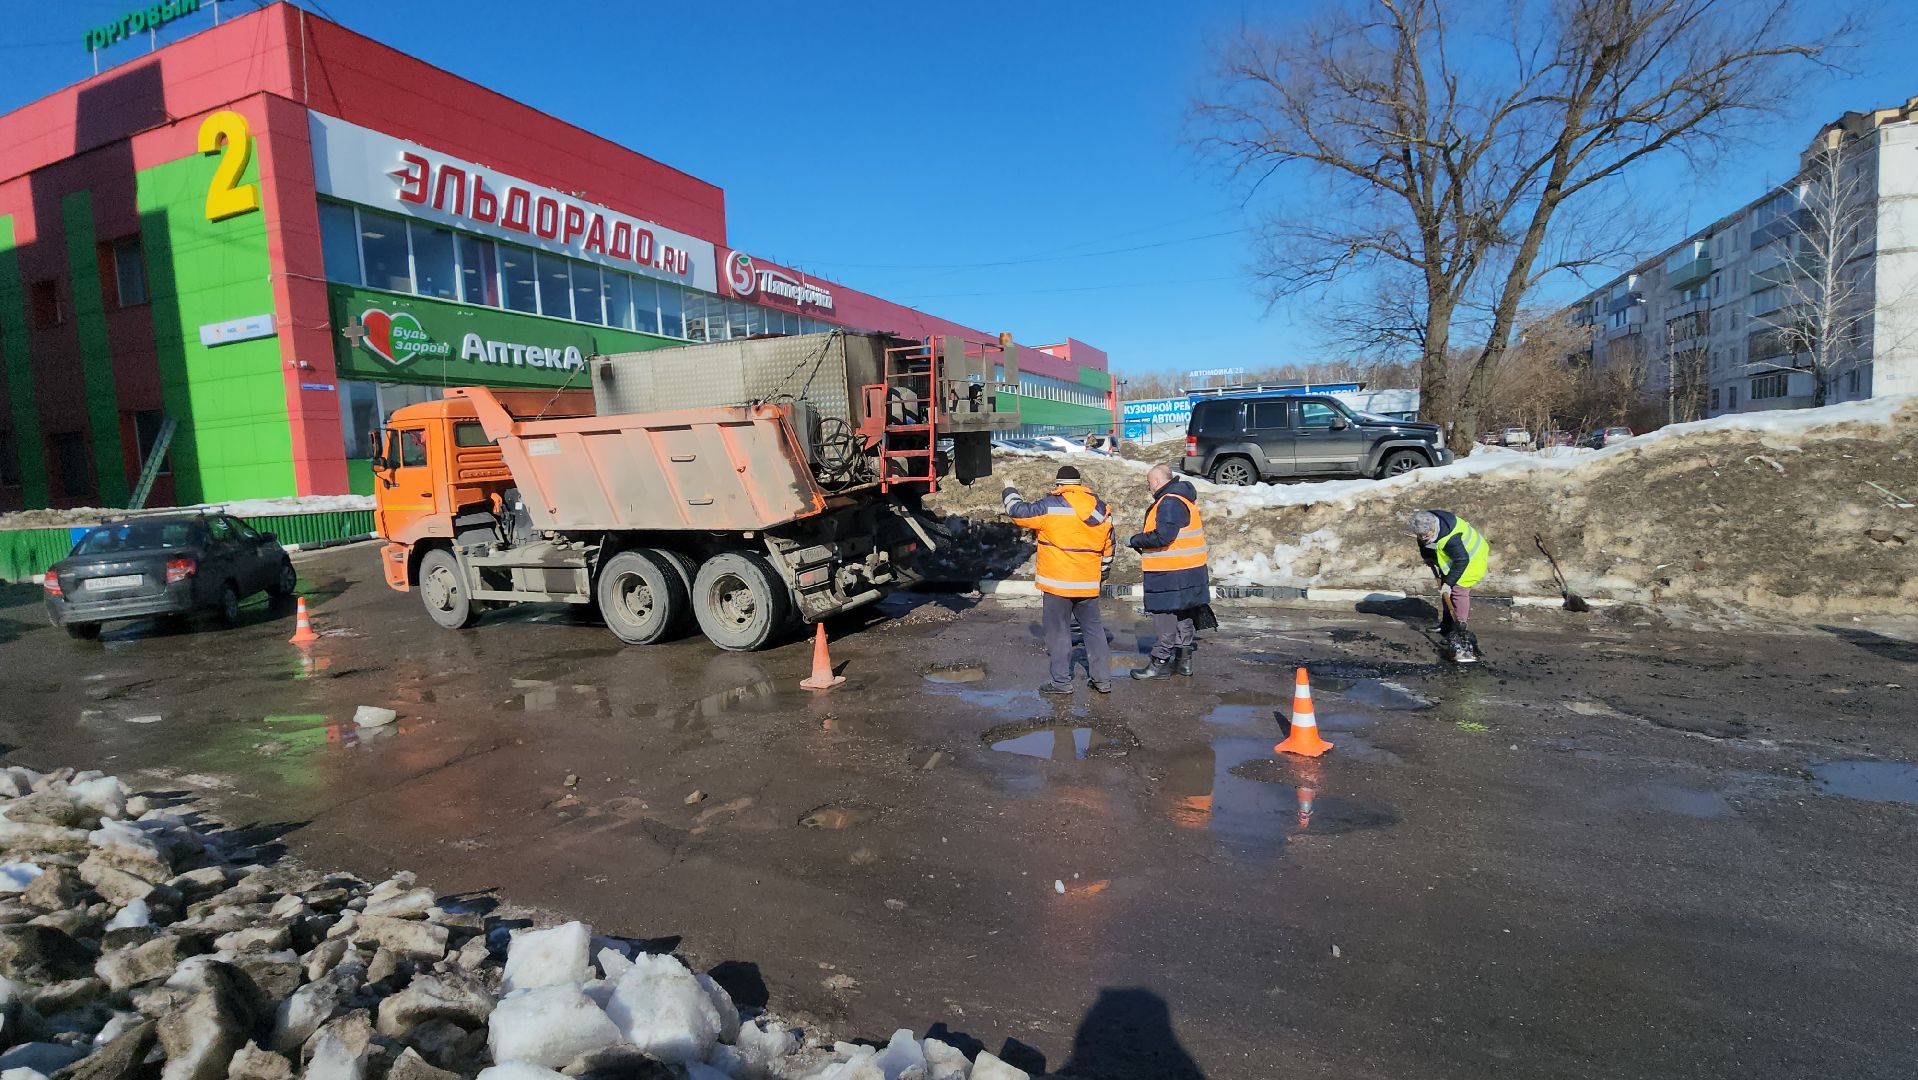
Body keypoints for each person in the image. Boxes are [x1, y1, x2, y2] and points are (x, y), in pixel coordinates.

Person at [1004, 465, 1115, 694]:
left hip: (1057, 583)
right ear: (1079, 485)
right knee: (1094, 632)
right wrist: (1101, 575)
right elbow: (1109, 547)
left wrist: (1009, 489)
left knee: (1058, 632)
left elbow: (1017, 512)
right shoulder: (1101, 509)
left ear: (1059, 485)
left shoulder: (1050, 506)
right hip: (1087, 583)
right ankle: (1102, 680)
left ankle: (1062, 682)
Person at [1127, 463, 1213, 680]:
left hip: (1170, 572)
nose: (1149, 488)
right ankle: (1184, 662)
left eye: (1149, 483)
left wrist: (1135, 540)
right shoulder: (1182, 498)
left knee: (1164, 617)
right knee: (1183, 613)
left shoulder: (1169, 501)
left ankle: (1160, 662)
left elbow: (1163, 536)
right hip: (1188, 570)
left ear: (1156, 481)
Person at [1408, 509, 1489, 663]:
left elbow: (1462, 560)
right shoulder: (1425, 524)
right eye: (1420, 535)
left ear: (1433, 528)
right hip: (1453, 560)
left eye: (1427, 535)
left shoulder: (1451, 538)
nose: (1423, 538)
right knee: (1446, 591)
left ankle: (1460, 628)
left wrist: (1449, 583)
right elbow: (1423, 543)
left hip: (1471, 560)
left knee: (1458, 591)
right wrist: (1428, 557)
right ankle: (1446, 625)